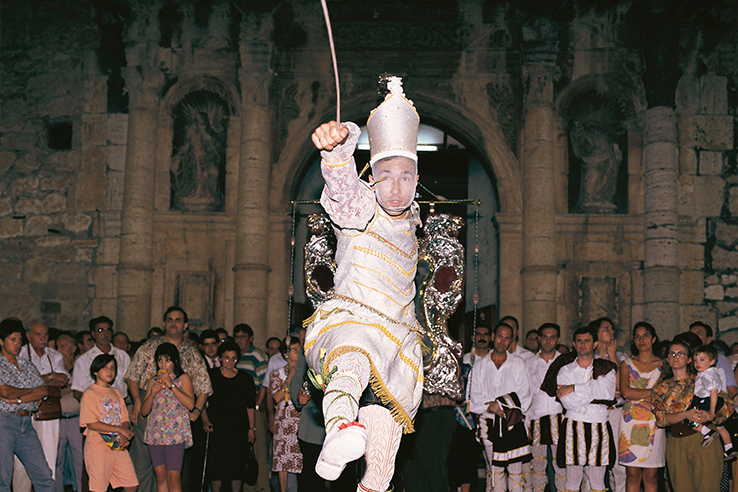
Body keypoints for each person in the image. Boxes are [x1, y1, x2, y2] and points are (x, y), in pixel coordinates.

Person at [305, 75, 426, 492]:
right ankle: (339, 429)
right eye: (385, 175)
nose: (395, 188)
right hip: (353, 323)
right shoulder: (362, 209)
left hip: (396, 350)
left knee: (379, 472)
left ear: (416, 178)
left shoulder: (413, 225)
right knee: (353, 355)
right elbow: (342, 189)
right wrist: (337, 151)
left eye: (406, 176)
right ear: (372, 176)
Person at [125, 307, 213, 492]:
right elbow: (132, 375)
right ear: (164, 323)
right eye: (170, 319)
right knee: (143, 463)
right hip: (151, 409)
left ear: (185, 325)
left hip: (177, 417)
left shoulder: (192, 352)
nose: (174, 323)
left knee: (174, 474)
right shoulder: (149, 346)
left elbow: (204, 386)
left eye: (178, 320)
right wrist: (138, 403)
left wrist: (196, 410)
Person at [652, 339, 733, 492]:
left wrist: (711, 415)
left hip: (704, 440)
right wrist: (685, 414)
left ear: (689, 359)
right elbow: (662, 419)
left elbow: (727, 403)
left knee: (708, 487)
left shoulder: (702, 378)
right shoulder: (660, 388)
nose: (676, 357)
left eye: (681, 353)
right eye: (672, 354)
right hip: (676, 442)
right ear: (667, 358)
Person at [543, 326, 617, 492]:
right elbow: (567, 402)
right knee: (573, 480)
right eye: (579, 341)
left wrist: (574, 387)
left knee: (598, 481)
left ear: (595, 344)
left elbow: (607, 393)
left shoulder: (606, 368)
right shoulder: (565, 370)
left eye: (587, 341)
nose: (583, 344)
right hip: (574, 425)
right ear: (574, 345)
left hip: (599, 424)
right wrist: (593, 389)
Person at [468, 321, 532, 492]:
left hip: (512, 423)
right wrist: (491, 408)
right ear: (493, 337)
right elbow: (473, 396)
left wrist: (501, 406)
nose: (502, 341)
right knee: (495, 472)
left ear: (511, 341)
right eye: (499, 337)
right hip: (489, 424)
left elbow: (525, 395)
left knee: (515, 472)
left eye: (506, 338)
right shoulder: (480, 366)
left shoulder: (518, 363)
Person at [0, 318, 55, 492]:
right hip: (4, 423)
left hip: (26, 423)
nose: (17, 345)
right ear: (1, 341)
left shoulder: (26, 364)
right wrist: (30, 392)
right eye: (12, 340)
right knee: (4, 476)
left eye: (20, 341)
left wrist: (19, 399)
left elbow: (43, 390)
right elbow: (5, 391)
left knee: (44, 474)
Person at [15, 321, 69, 492]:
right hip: (24, 413)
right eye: (38, 334)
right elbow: (20, 381)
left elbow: (64, 379)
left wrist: (40, 379)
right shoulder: (20, 353)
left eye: (45, 334)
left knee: (49, 459)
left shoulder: (54, 355)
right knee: (21, 465)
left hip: (49, 413)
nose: (43, 338)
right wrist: (50, 377)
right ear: (28, 336)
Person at [202, 341, 256, 492]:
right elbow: (202, 400)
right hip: (217, 427)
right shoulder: (211, 376)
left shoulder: (245, 379)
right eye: (226, 358)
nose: (230, 362)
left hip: (238, 428)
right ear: (220, 358)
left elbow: (250, 406)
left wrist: (251, 428)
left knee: (236, 467)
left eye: (233, 358)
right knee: (216, 467)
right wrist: (205, 420)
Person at [79, 354, 138, 492]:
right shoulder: (90, 393)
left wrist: (123, 434)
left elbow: (124, 419)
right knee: (99, 487)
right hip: (98, 442)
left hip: (115, 442)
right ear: (95, 371)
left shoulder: (116, 392)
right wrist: (121, 430)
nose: (110, 371)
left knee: (131, 483)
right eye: (105, 367)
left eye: (113, 368)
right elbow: (92, 423)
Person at [141, 343, 195, 492]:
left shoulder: (183, 379)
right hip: (156, 433)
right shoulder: (152, 381)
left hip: (175, 435)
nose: (163, 364)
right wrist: (152, 394)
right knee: (160, 476)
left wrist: (171, 386)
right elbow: (144, 411)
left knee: (173, 477)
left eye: (167, 360)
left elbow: (191, 404)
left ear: (175, 361)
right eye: (160, 360)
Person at [618, 322, 664, 492]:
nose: (641, 340)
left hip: (654, 421)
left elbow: (664, 395)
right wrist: (652, 393)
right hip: (630, 422)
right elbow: (626, 392)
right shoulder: (627, 364)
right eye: (637, 336)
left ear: (653, 339)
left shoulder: (663, 365)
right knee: (633, 474)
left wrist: (642, 394)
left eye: (645, 335)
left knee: (651, 475)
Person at [524, 323, 565, 492]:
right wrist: (525, 420)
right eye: (545, 337)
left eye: (552, 337)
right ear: (539, 339)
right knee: (538, 465)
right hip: (535, 417)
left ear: (558, 339)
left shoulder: (566, 361)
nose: (548, 341)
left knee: (561, 464)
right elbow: (525, 393)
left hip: (560, 417)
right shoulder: (528, 363)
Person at [447, 326, 487, 492]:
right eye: (478, 334)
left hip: (480, 415)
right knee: (456, 458)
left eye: (485, 335)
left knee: (474, 459)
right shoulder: (463, 362)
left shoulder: (492, 360)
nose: (482, 338)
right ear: (472, 337)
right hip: (459, 420)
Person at [689, 344, 734, 457]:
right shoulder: (713, 372)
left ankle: (707, 432)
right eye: (695, 360)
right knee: (721, 426)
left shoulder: (706, 375)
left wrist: (712, 411)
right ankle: (729, 448)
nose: (697, 363)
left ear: (712, 361)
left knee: (689, 418)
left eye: (702, 360)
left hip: (707, 401)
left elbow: (713, 391)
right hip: (715, 400)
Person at [270, 337, 303, 492]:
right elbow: (276, 397)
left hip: (299, 420)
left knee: (298, 457)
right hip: (283, 420)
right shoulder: (277, 374)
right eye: (294, 350)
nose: (297, 353)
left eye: (299, 350)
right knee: (283, 458)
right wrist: (290, 376)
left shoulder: (305, 374)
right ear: (285, 354)